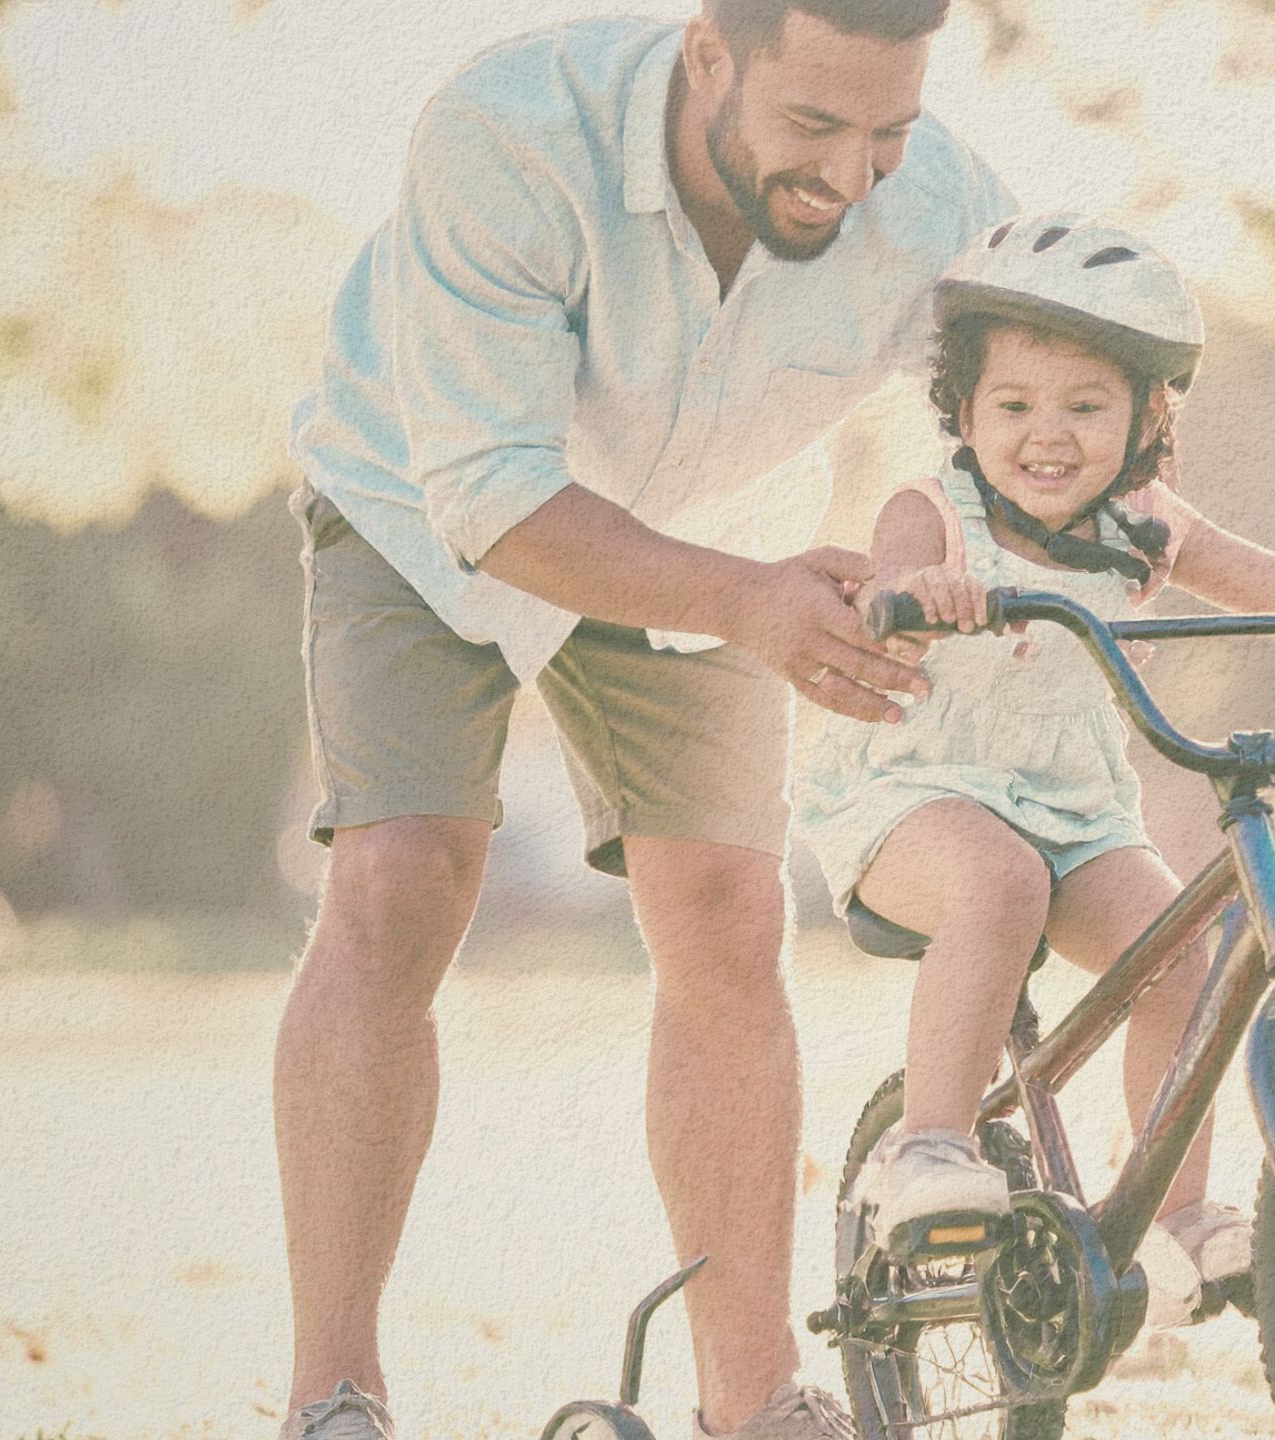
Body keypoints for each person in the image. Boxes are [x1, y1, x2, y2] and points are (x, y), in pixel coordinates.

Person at [275, 0, 1014, 1436]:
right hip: (425, 508)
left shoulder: (940, 204)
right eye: (813, 127)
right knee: (399, 878)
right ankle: (335, 1395)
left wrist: (948, 544)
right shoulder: (508, 135)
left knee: (732, 916)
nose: (854, 176)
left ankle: (753, 1403)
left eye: (889, 133)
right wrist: (748, 604)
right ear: (709, 59)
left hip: (717, 533)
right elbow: (489, 495)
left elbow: (1036, 402)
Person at [788, 214, 1275, 1328]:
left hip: (1072, 812)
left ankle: (1179, 1219)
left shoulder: (1143, 523)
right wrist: (920, 603)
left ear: (1145, 420)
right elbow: (885, 611)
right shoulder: (929, 509)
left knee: (1176, 952)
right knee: (999, 884)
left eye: (1085, 408)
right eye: (1013, 407)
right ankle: (931, 1149)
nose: (1047, 436)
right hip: (915, 801)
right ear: (962, 411)